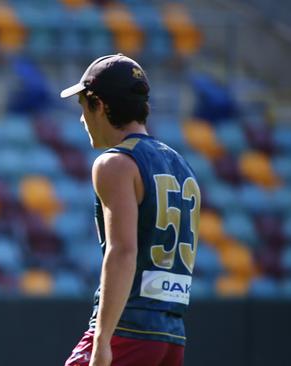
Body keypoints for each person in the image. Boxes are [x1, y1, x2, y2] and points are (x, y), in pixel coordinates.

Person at [59, 54, 201, 366]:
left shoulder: (115, 163)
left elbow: (123, 251)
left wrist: (102, 340)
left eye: (84, 107)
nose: (82, 119)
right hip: (172, 334)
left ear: (100, 105)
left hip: (128, 329)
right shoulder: (181, 164)